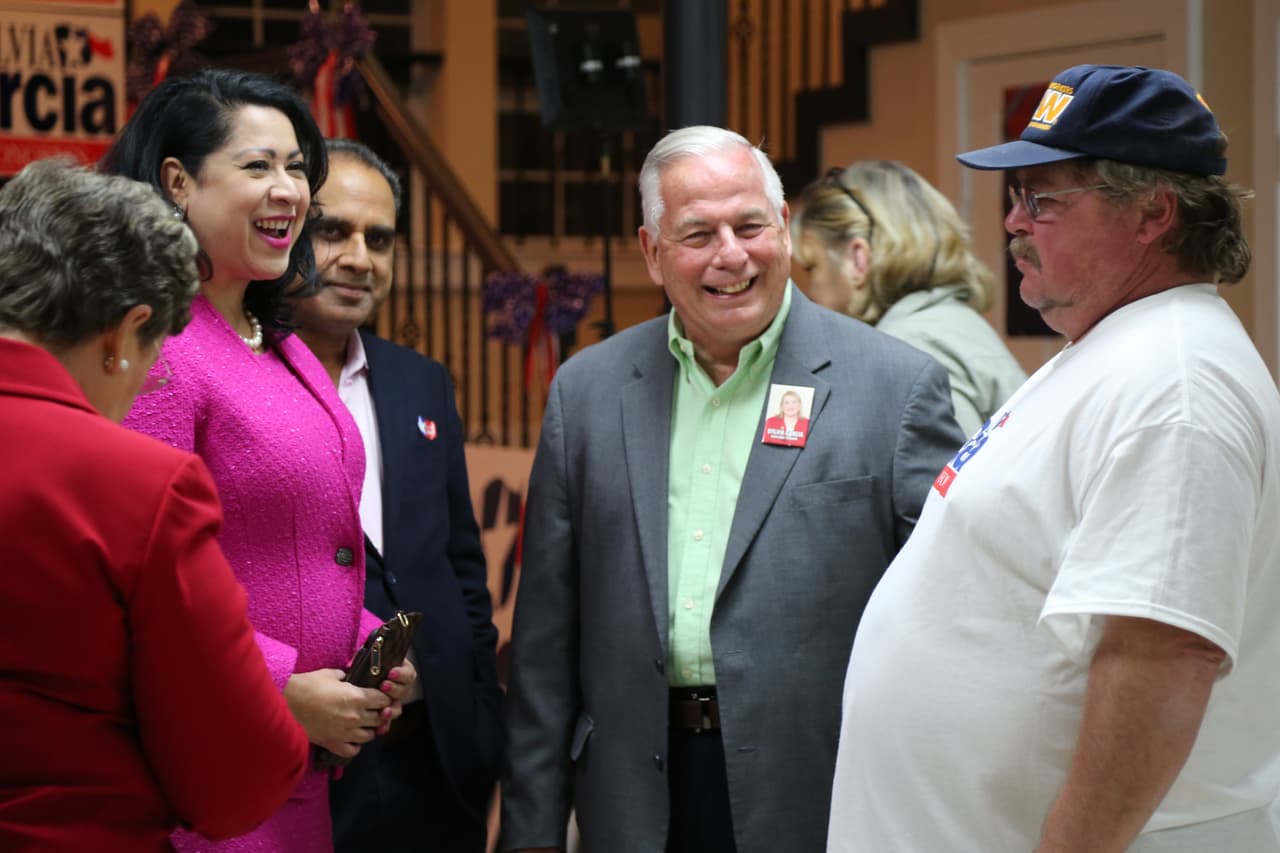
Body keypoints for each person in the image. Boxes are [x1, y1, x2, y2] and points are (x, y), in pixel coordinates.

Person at [827, 64, 1280, 853]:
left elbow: (1166, 652)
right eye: (1015, 198)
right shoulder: (1114, 347)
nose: (1012, 222)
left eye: (1043, 199)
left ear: (1154, 214)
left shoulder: (1177, 382)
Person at [501, 126, 965, 853]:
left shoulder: (896, 390)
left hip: (816, 787)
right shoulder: (586, 395)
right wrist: (530, 831)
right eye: (698, 233)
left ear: (782, 227)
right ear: (653, 253)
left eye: (750, 225)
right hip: (633, 795)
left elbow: (952, 623)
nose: (731, 254)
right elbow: (543, 650)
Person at [100, 69, 416, 853]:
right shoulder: (162, 346)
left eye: (297, 168)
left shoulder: (279, 344)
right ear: (177, 182)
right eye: (258, 167)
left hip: (292, 771)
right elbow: (148, 578)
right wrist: (280, 684)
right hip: (212, 775)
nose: (289, 191)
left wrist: (362, 644)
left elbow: (300, 545)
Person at [0, 159, 311, 850]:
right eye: (152, 360)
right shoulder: (135, 484)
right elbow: (241, 774)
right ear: (123, 332)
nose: (144, 387)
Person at [290, 139, 504, 853]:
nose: (359, 257)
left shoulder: (420, 382)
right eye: (333, 231)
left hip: (434, 764)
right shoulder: (237, 380)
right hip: (303, 763)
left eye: (378, 238)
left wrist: (477, 718)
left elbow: (459, 567)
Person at [791, 160, 1026, 436]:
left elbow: (950, 477)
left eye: (812, 267)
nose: (810, 292)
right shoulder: (953, 324)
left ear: (857, 259)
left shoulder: (910, 348)